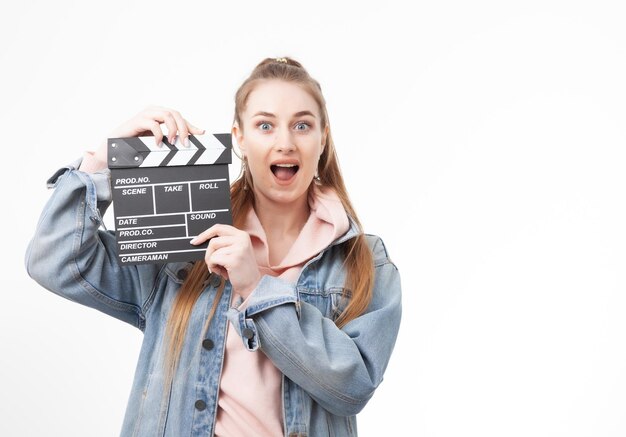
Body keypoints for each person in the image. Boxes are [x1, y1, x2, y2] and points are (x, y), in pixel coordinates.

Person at [25, 57, 402, 437]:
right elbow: (54, 259)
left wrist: (256, 290)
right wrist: (104, 160)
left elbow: (353, 387)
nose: (285, 143)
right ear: (239, 137)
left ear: (323, 138)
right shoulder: (186, 242)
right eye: (265, 125)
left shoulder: (365, 261)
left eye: (302, 125)